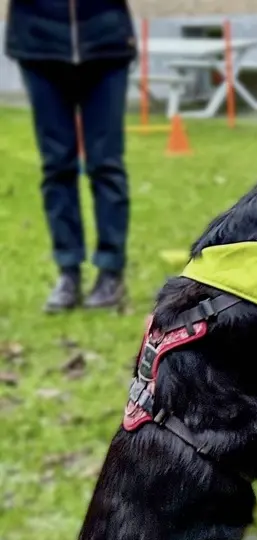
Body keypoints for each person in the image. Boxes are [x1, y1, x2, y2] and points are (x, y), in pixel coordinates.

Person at [4, 0, 135, 312]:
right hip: (40, 44)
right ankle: (68, 272)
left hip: (105, 42)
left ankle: (110, 271)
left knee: (106, 165)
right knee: (57, 166)